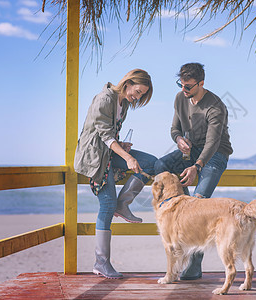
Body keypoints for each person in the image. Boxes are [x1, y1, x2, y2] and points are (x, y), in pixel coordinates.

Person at [74, 69, 157, 279]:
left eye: (141, 95)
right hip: (96, 157)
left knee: (151, 163)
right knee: (107, 204)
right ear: (127, 83)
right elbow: (104, 135)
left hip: (110, 151)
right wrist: (127, 157)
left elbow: (111, 138)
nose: (136, 97)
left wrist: (122, 146)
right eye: (137, 92)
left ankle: (124, 203)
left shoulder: (124, 104)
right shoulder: (104, 99)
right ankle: (101, 263)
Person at [154, 62, 233, 280]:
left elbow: (213, 143)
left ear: (201, 83)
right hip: (190, 151)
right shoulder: (180, 98)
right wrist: (178, 139)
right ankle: (184, 211)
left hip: (215, 154)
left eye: (188, 86)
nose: (183, 90)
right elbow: (174, 128)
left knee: (200, 202)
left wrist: (197, 167)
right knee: (160, 166)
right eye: (181, 84)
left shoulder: (215, 106)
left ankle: (195, 265)